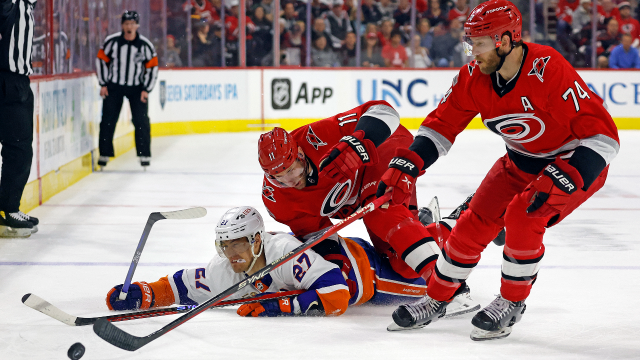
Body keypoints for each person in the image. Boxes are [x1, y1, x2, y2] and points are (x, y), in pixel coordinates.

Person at [377, 0, 619, 340]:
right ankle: (437, 297)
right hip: (519, 161)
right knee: (471, 223)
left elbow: (603, 136)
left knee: (523, 216)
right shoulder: (473, 77)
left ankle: (511, 301)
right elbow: (440, 127)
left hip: (572, 161)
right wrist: (408, 163)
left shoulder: (546, 67)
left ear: (505, 41)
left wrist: (572, 174)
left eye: (478, 43)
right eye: (469, 42)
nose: (471, 52)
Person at [257, 101, 480, 317]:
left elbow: (385, 112)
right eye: (280, 177)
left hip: (384, 152)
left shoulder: (318, 136)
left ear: (300, 153)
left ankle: (446, 291)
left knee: (381, 214)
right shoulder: (277, 201)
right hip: (362, 198)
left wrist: (358, 141)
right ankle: (471, 216)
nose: (291, 180)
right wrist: (333, 267)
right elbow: (321, 237)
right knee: (401, 265)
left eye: (293, 169)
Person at [105, 206, 474, 316]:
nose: (229, 255)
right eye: (224, 246)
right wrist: (142, 294)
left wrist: (279, 305)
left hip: (368, 274)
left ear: (255, 240)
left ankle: (459, 218)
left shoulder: (281, 252)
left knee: (430, 275)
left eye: (236, 245)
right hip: (346, 257)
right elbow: (184, 283)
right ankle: (428, 222)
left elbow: (335, 295)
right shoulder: (228, 268)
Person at [96, 11, 158, 169]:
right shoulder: (112, 42)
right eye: (126, 24)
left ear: (137, 25)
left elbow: (152, 67)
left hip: (137, 88)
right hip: (114, 86)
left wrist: (146, 89)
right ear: (122, 25)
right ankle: (104, 153)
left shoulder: (145, 45)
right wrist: (103, 83)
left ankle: (144, 154)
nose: (129, 27)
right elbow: (101, 60)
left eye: (132, 24)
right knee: (108, 121)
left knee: (141, 121)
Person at [0, 0, 40, 238]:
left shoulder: (25, 5)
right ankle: (7, 210)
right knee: (18, 149)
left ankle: (8, 207)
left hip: (18, 82)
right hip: (8, 82)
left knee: (21, 148)